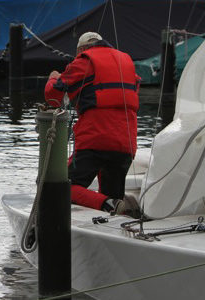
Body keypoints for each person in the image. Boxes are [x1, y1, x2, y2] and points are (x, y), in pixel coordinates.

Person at [44, 32, 141, 218]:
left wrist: (53, 77)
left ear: (81, 49)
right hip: (126, 142)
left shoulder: (84, 60)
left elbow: (52, 95)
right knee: (112, 194)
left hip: (95, 138)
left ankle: (108, 204)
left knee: (61, 185)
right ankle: (114, 205)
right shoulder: (127, 62)